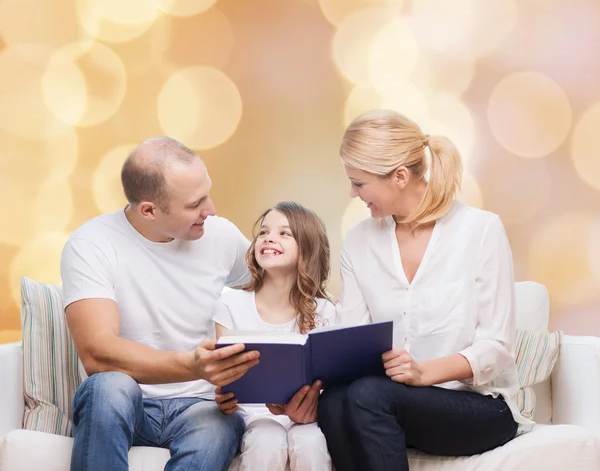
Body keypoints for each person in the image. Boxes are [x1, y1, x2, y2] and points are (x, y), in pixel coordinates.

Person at [317, 110, 533, 471]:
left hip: (479, 407)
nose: (353, 194)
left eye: (359, 183)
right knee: (334, 400)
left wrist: (423, 373)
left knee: (368, 395)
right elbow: (352, 338)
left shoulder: (480, 230)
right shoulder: (358, 241)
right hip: (391, 403)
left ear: (399, 176)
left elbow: (496, 347)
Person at [61, 137, 260, 471]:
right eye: (195, 204)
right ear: (149, 210)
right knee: (108, 387)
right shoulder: (91, 244)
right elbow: (97, 353)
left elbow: (279, 290)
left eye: (207, 194)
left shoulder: (220, 235)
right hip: (130, 403)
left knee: (218, 423)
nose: (210, 210)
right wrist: (193, 365)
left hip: (203, 405)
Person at [213, 202, 335, 471]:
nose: (269, 237)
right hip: (253, 417)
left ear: (307, 247)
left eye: (284, 233)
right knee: (266, 439)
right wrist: (222, 395)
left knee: (310, 441)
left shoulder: (325, 311)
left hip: (306, 418)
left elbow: (330, 383)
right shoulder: (231, 305)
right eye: (264, 232)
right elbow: (225, 376)